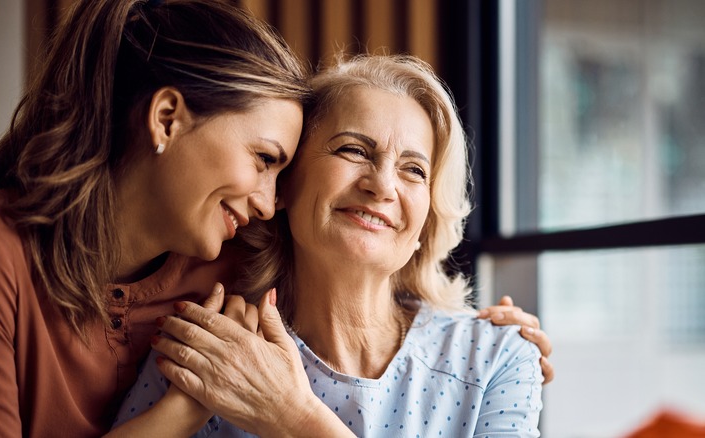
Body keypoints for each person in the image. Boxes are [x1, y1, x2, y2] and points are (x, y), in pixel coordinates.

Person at [0, 1, 309, 436]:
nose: (266, 203)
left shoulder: (239, 277)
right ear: (167, 119)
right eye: (262, 159)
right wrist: (186, 406)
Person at [115, 54, 544, 436]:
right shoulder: (212, 349)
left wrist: (290, 416)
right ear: (284, 186)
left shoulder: (496, 359)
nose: (382, 186)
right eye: (354, 150)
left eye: (413, 170)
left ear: (426, 224)